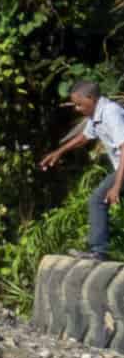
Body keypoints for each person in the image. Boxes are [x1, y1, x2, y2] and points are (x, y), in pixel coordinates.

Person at [45, 80, 124, 259]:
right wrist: (58, 152)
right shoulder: (97, 115)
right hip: (121, 168)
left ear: (91, 98)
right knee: (98, 200)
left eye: (79, 104)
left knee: (97, 200)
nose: (77, 109)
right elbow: (84, 137)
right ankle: (99, 251)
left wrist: (117, 186)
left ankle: (98, 251)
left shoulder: (111, 113)